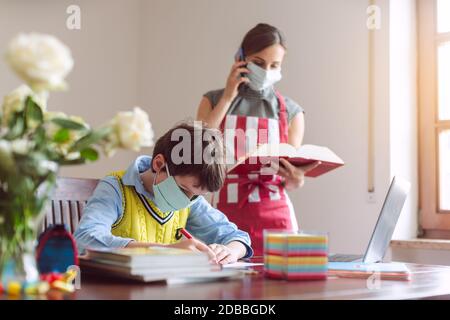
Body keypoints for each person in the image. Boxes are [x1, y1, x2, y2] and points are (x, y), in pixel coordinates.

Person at [196, 23, 319, 255]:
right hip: (223, 217)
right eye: (259, 63)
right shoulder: (211, 101)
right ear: (241, 58)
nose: (267, 71)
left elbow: (290, 179)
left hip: (276, 217)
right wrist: (227, 96)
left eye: (275, 65)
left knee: (278, 290)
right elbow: (198, 147)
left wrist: (297, 179)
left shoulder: (292, 112)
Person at [74, 122, 253, 264]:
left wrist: (230, 251)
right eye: (183, 190)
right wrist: (168, 250)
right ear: (159, 164)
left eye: (196, 195)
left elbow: (238, 237)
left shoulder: (191, 200)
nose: (187, 200)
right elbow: (85, 238)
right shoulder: (115, 188)